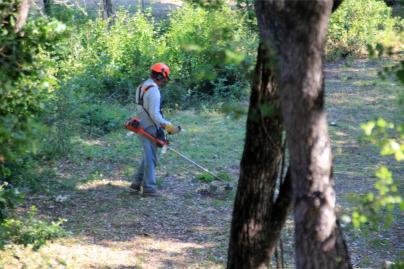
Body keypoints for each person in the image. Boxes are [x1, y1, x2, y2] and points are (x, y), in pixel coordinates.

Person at [130, 63, 180, 196]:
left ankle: (136, 183)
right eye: (165, 78)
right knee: (151, 157)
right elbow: (155, 114)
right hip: (150, 127)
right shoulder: (154, 91)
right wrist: (169, 126)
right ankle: (149, 188)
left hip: (141, 123)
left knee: (148, 154)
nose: (165, 82)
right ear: (160, 76)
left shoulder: (142, 86)